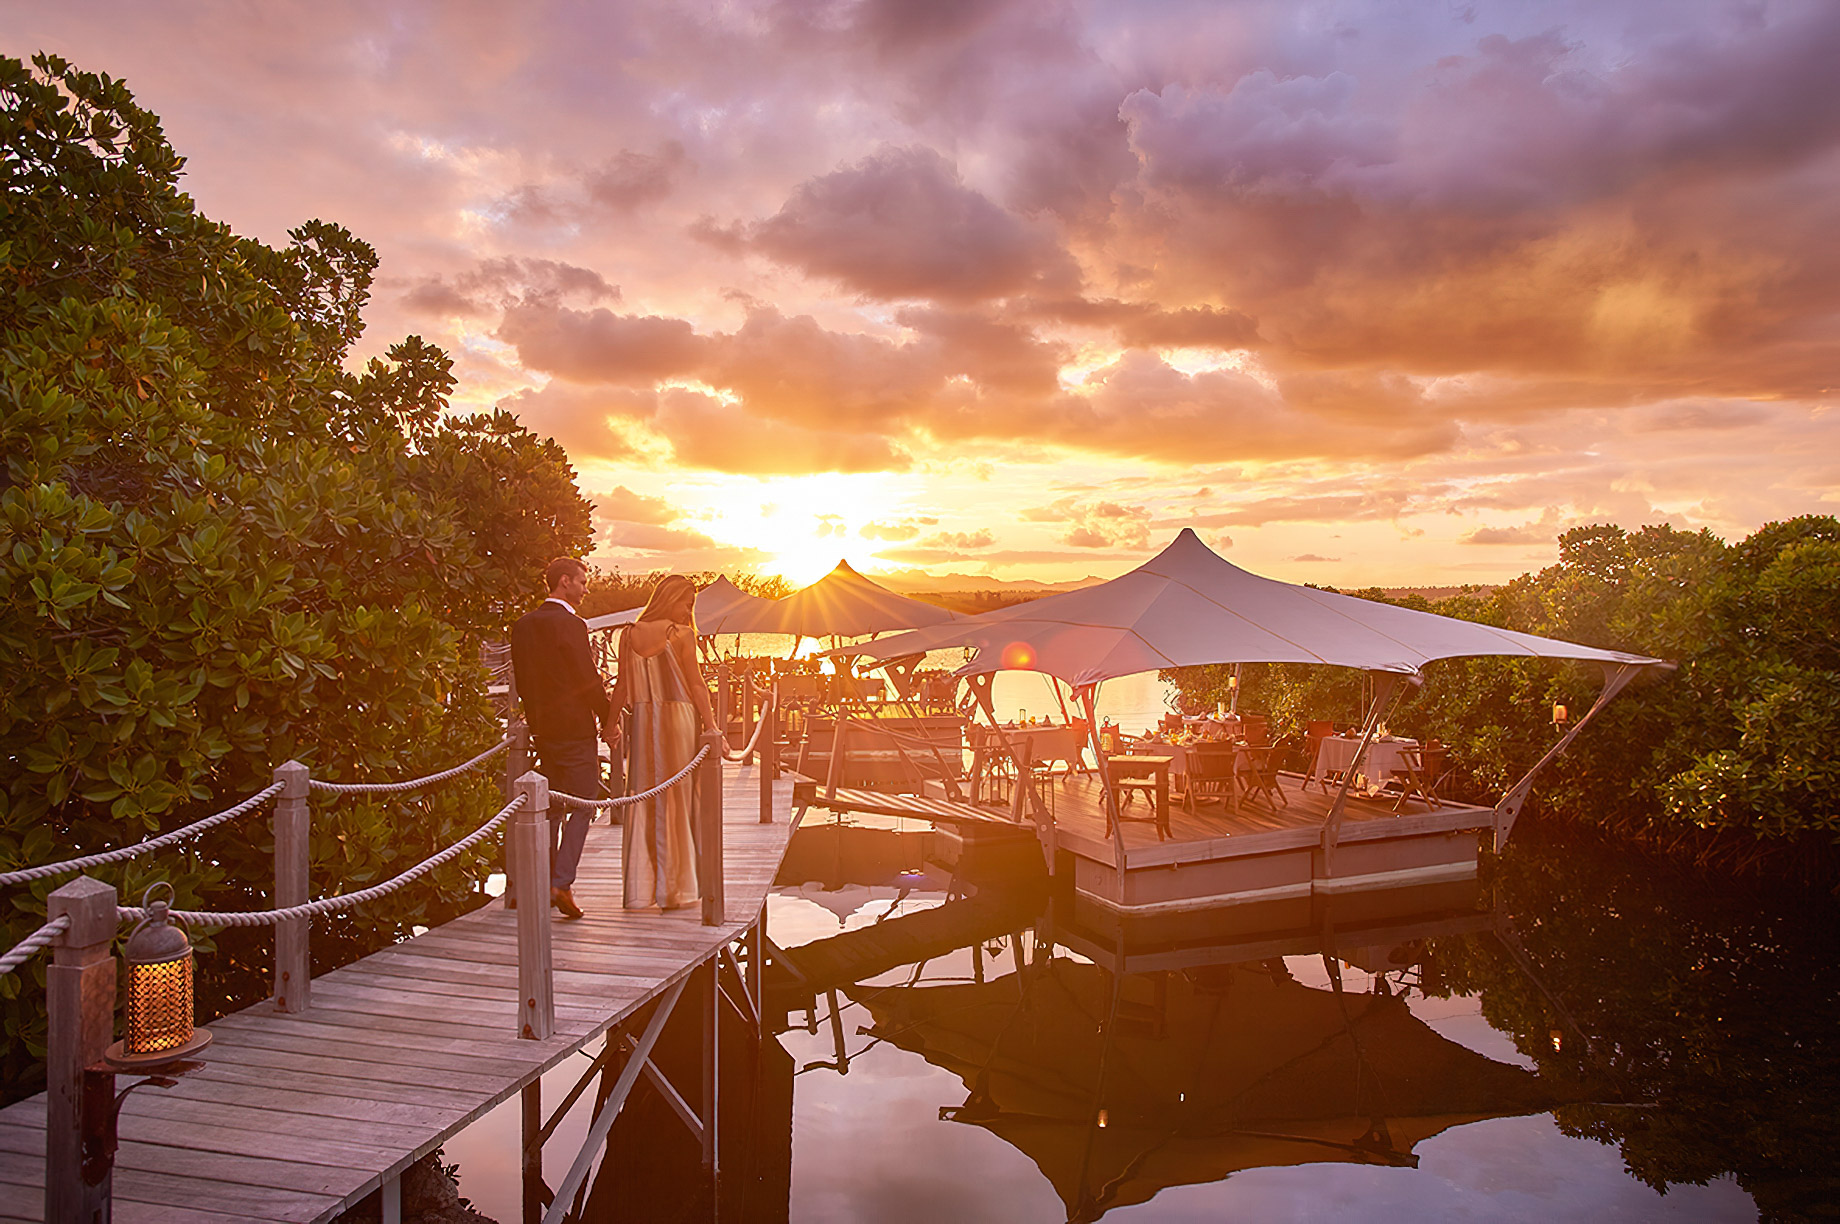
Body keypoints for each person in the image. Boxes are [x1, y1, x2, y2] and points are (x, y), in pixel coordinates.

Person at [508, 557, 614, 919]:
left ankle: (541, 881)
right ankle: (561, 882)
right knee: (584, 802)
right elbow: (587, 677)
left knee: (550, 805)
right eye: (582, 582)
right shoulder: (572, 624)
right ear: (564, 581)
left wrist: (536, 719)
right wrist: (608, 717)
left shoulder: (522, 625)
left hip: (543, 729)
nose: (586, 588)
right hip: (574, 729)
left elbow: (523, 680)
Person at [610, 574, 721, 910]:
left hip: (643, 723)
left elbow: (622, 686)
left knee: (645, 797)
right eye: (686, 604)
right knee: (678, 801)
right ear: (670, 599)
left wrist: (610, 724)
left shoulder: (628, 634)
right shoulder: (681, 634)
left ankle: (654, 885)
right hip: (679, 721)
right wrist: (712, 725)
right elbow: (696, 684)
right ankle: (673, 889)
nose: (688, 611)